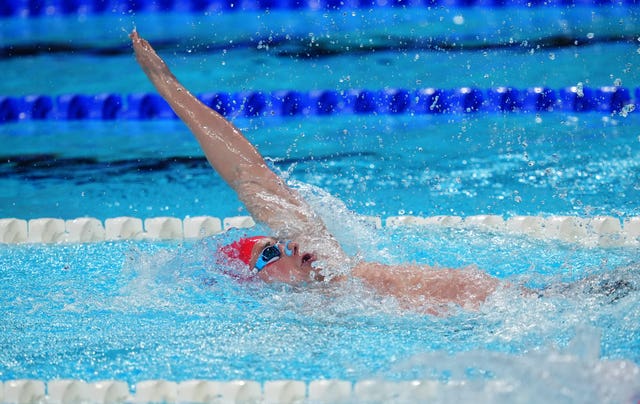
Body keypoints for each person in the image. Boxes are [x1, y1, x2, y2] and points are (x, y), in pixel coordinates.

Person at [130, 30, 500, 315]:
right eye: (269, 253)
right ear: (254, 284)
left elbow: (247, 171)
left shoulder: (330, 261)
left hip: (507, 301)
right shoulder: (308, 313)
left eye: (277, 240)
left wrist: (168, 86)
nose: (288, 244)